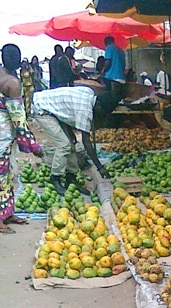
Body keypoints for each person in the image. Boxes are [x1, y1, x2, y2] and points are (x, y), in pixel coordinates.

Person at [31, 85, 117, 194]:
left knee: (70, 143)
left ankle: (70, 178)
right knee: (64, 145)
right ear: (98, 105)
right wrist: (100, 167)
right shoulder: (85, 111)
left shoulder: (89, 92)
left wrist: (70, 133)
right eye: (103, 113)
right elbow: (86, 142)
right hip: (42, 108)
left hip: (53, 108)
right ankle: (55, 178)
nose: (101, 116)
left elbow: (65, 111)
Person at [0, 44, 42, 233]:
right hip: (3, 135)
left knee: (7, 176)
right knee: (2, 177)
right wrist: (34, 146)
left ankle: (7, 213)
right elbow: (19, 120)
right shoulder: (13, 83)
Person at [103, 36, 126, 100]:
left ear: (106, 42)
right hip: (122, 78)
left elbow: (108, 62)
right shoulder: (121, 50)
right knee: (119, 99)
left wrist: (103, 71)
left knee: (110, 97)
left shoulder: (109, 48)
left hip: (112, 78)